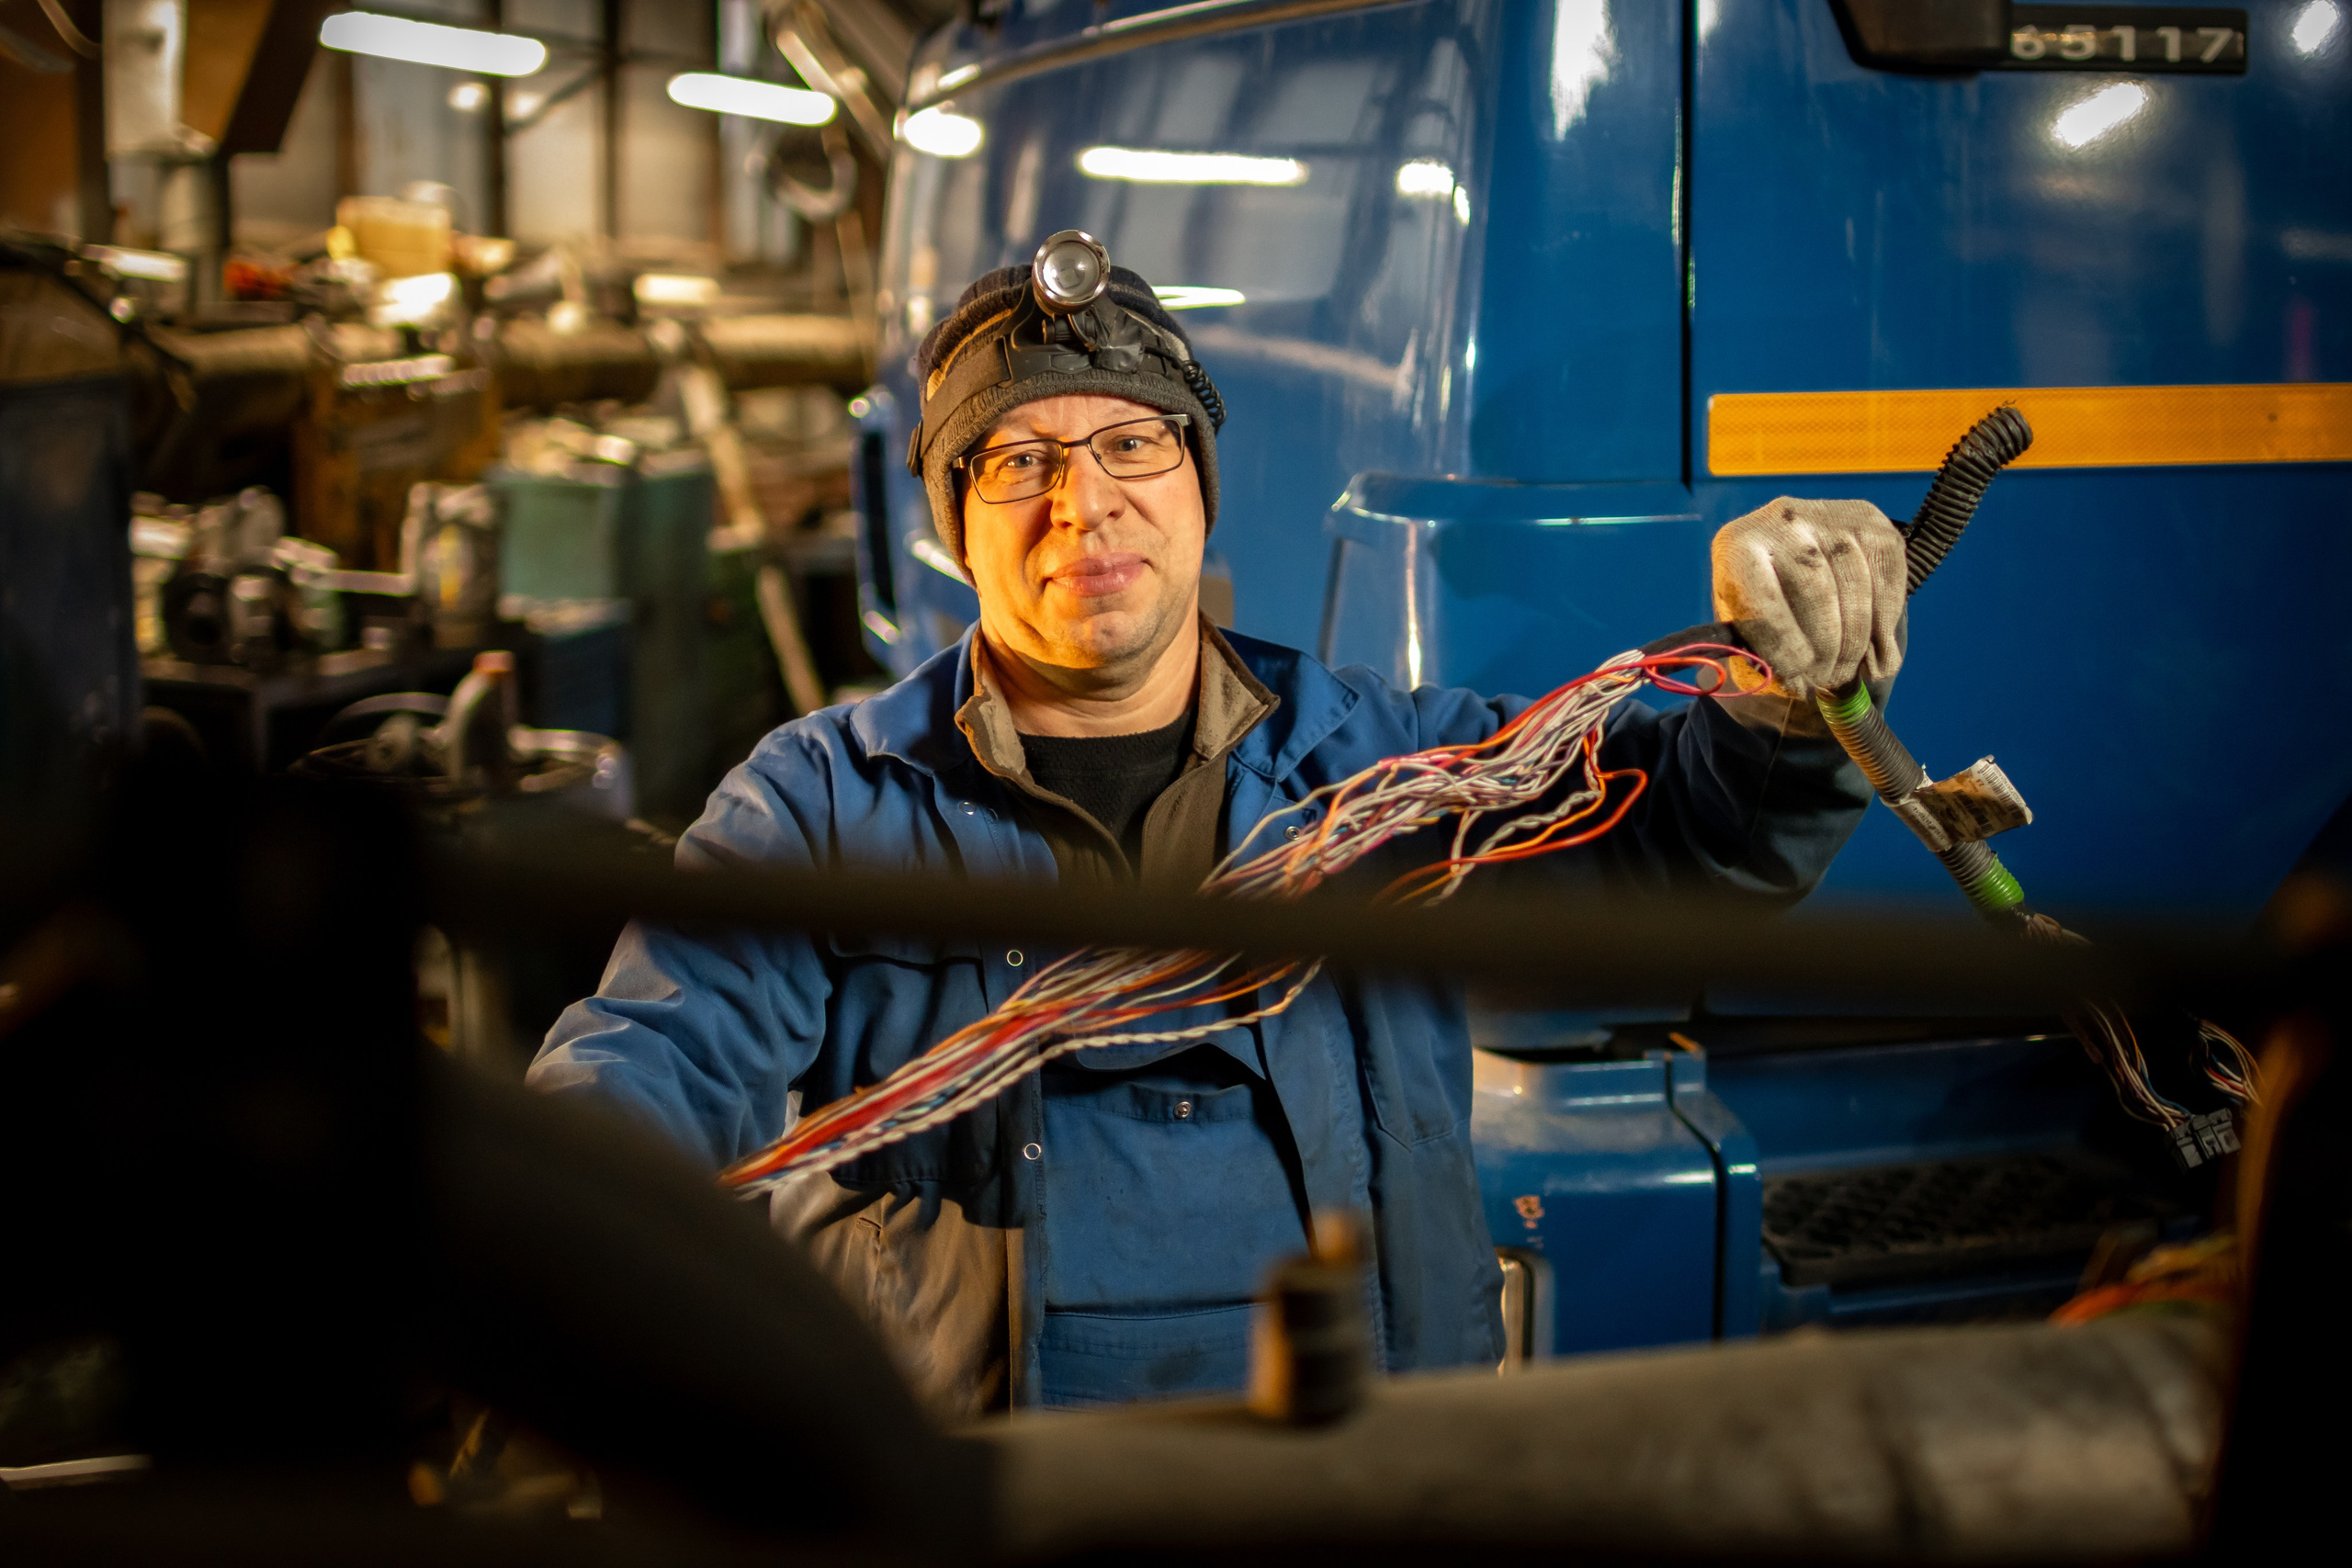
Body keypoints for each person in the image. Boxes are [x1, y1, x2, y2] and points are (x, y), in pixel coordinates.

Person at [528, 237, 1907, 1416]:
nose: (1087, 501)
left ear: (1195, 482)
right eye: (1018, 461)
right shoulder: (828, 801)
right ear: (956, 520)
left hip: (1369, 1483)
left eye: (1133, 442)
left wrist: (1789, 708)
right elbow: (657, 1050)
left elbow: (1681, 841)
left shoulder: (1385, 764)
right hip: (981, 1494)